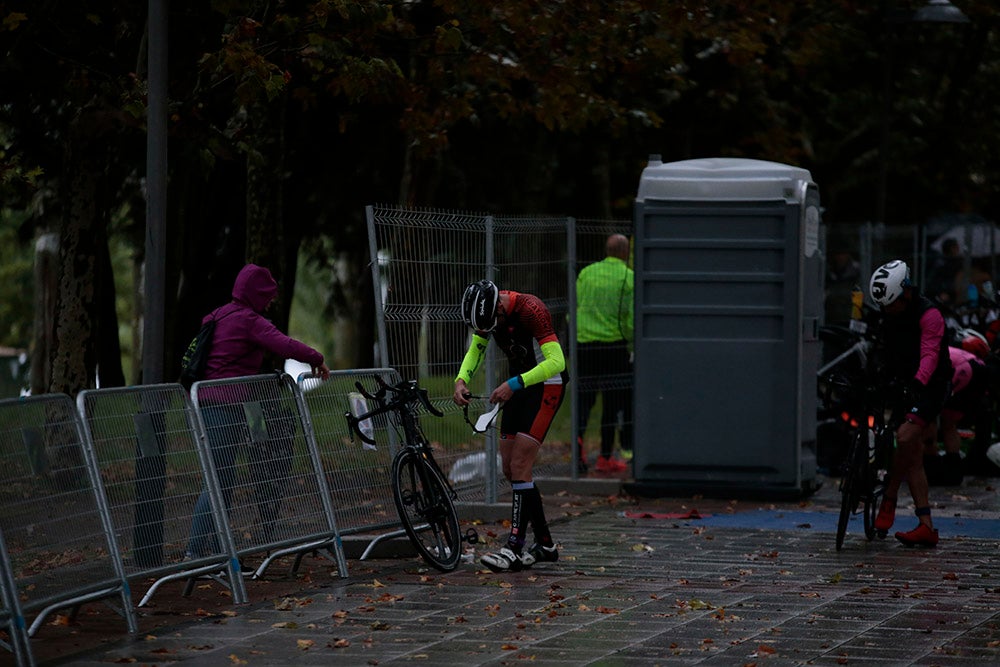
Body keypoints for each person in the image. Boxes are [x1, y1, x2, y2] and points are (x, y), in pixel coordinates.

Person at [186, 263, 331, 559]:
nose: (270, 302)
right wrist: (317, 358)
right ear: (257, 293)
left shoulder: (217, 314)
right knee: (217, 480)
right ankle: (194, 552)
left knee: (222, 478)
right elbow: (284, 345)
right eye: (268, 296)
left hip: (204, 401)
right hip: (224, 406)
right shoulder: (248, 320)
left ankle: (215, 552)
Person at [453, 279, 568, 572]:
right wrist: (461, 379)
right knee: (510, 468)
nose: (488, 333)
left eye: (491, 327)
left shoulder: (532, 310)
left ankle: (513, 547)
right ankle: (545, 544)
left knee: (520, 464)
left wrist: (514, 383)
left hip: (545, 385)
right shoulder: (489, 315)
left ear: (500, 309)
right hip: (518, 386)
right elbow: (476, 350)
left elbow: (557, 362)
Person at [869, 260, 952, 548]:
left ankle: (889, 498)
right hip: (903, 378)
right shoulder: (888, 310)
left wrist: (917, 384)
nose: (887, 311)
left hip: (931, 385)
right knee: (912, 454)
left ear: (905, 294)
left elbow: (930, 355)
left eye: (891, 305)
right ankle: (926, 525)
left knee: (905, 438)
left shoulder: (929, 314)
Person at [575, 233, 634, 473]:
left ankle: (579, 454)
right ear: (625, 252)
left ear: (607, 250)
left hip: (585, 344)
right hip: (614, 346)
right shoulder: (629, 277)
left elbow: (577, 305)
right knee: (613, 402)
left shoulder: (586, 273)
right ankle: (605, 457)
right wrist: (630, 342)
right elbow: (630, 319)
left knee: (584, 401)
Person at [924, 343, 988, 486]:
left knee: (929, 416)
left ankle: (932, 466)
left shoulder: (922, 353)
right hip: (977, 369)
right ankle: (953, 471)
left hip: (964, 369)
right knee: (949, 422)